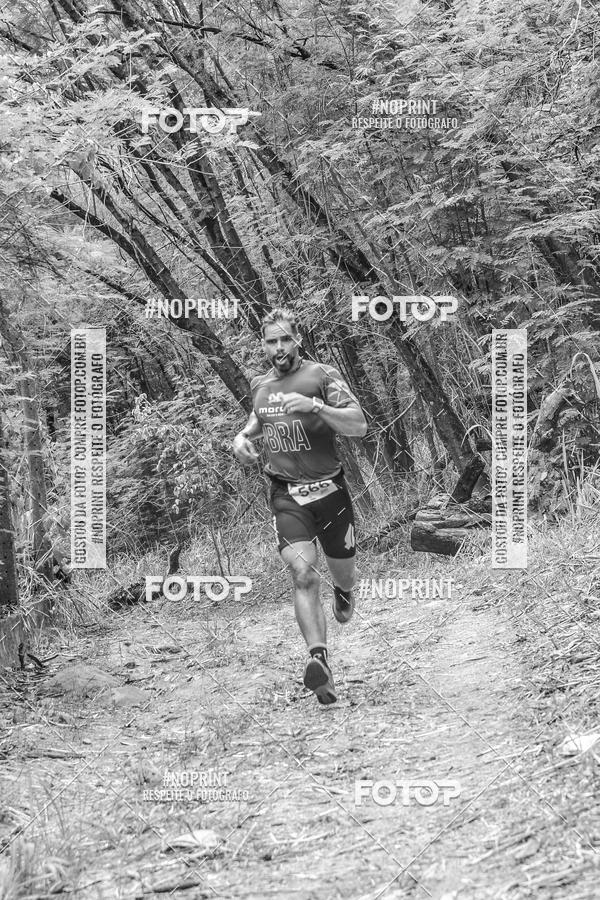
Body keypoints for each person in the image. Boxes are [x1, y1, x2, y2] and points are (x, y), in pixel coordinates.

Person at [232, 308, 367, 705]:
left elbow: (358, 424)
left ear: (298, 340)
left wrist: (316, 407)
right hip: (287, 496)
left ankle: (344, 591)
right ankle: (319, 663)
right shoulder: (260, 385)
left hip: (331, 493)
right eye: (271, 341)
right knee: (303, 573)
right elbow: (258, 419)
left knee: (343, 574)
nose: (279, 347)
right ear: (263, 346)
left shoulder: (322, 376)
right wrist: (242, 438)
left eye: (285, 339)